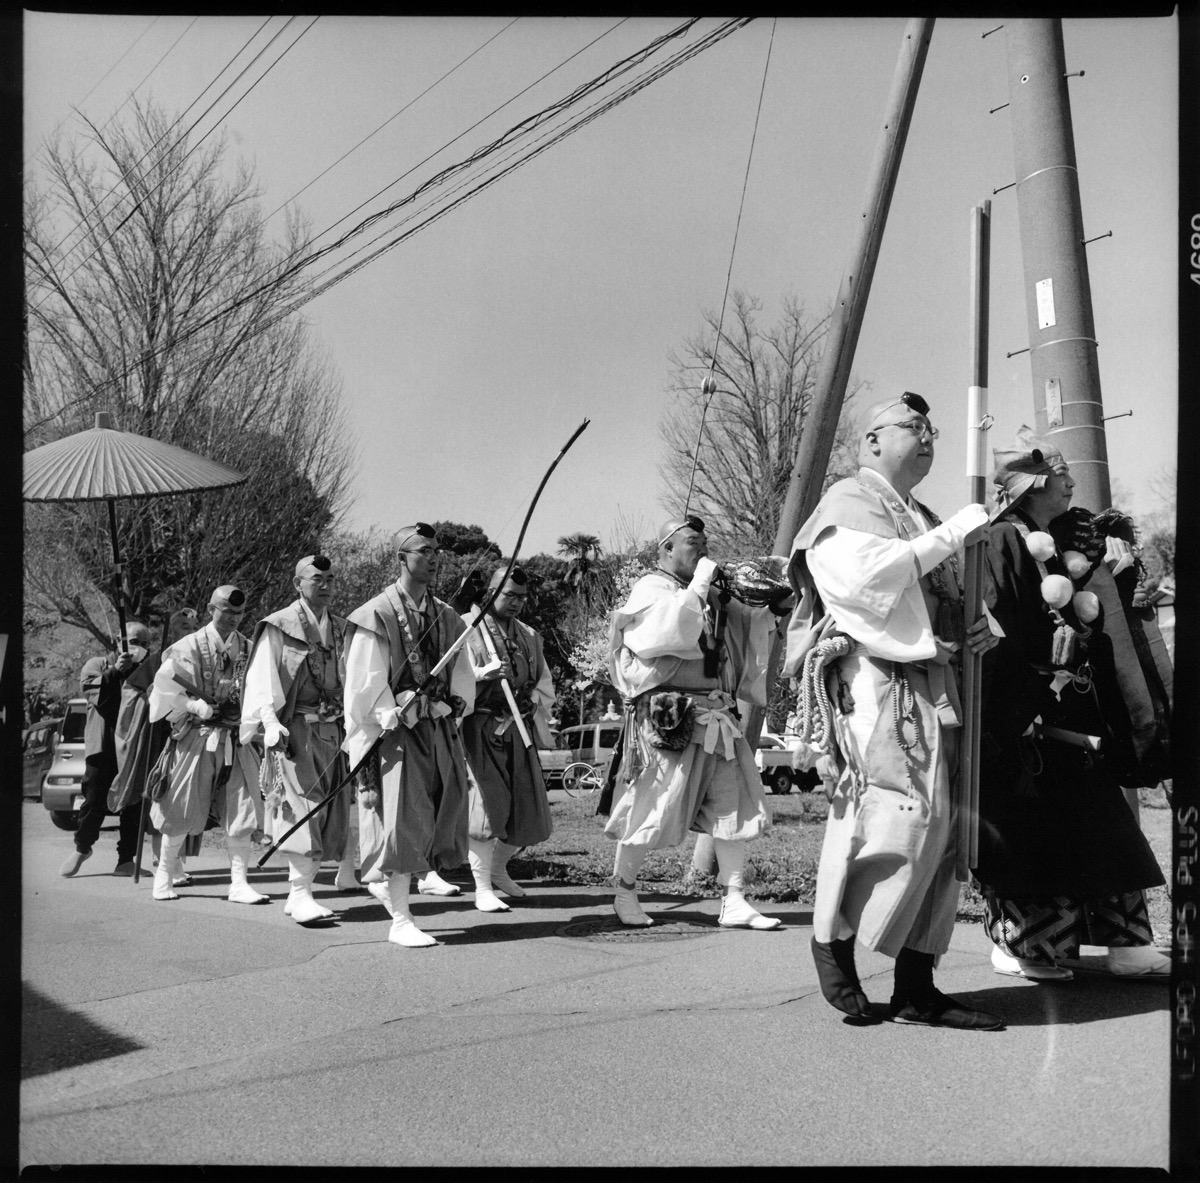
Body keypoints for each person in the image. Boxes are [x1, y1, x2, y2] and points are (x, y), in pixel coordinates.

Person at [784, 392, 1003, 1031]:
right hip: (881, 684)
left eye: (932, 428)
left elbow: (950, 594)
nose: (929, 436)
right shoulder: (849, 501)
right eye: (913, 426)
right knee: (888, 818)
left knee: (941, 826)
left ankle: (916, 983)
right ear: (872, 441)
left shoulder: (922, 512)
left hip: (937, 683)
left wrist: (979, 625)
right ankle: (834, 939)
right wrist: (952, 534)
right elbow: (861, 582)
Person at [974, 428, 1169, 980]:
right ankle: (1027, 946)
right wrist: (1029, 693)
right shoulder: (1002, 539)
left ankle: (1126, 942)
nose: (1072, 483)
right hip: (1028, 711)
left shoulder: (1064, 535)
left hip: (1074, 702)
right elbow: (996, 623)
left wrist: (1116, 561)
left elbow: (1097, 594)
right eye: (1061, 475)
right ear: (1033, 482)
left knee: (1102, 820)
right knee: (1036, 831)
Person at [602, 514, 791, 930]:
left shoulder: (709, 594)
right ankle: (624, 891)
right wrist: (702, 583)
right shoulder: (652, 587)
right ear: (666, 549)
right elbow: (667, 633)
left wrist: (773, 608)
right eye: (691, 542)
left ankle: (735, 898)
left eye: (704, 542)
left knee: (733, 804)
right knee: (653, 803)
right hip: (670, 715)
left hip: (717, 715)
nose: (701, 549)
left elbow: (744, 631)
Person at [342, 523, 476, 948]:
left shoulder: (448, 616)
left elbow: (462, 675)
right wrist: (389, 708)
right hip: (396, 734)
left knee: (439, 812)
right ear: (401, 558)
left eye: (438, 551)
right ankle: (400, 918)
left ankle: (396, 891)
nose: (434, 557)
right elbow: (365, 680)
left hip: (435, 729)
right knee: (401, 819)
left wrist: (449, 704)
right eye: (424, 550)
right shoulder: (376, 613)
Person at [241, 555, 353, 926]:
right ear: (297, 584)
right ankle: (301, 893)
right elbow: (262, 677)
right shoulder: (280, 625)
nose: (325, 585)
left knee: (330, 810)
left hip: (334, 731)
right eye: (316, 578)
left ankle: (300, 892)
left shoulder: (340, 628)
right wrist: (270, 722)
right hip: (297, 730)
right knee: (302, 807)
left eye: (331, 579)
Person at [147, 585, 267, 905]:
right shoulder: (187, 646)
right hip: (196, 737)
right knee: (181, 805)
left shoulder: (250, 648)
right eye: (227, 612)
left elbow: (262, 690)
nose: (233, 619)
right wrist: (191, 706)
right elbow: (164, 689)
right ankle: (164, 875)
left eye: (240, 614)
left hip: (236, 738)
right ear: (212, 608)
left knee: (242, 807)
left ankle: (239, 882)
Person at [460, 566, 555, 912]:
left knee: (527, 807)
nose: (516, 603)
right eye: (508, 595)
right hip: (479, 729)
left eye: (521, 597)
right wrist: (480, 675)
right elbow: (452, 680)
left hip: (518, 728)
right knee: (487, 806)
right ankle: (481, 885)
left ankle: (499, 869)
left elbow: (542, 682)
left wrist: (536, 704)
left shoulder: (529, 635)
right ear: (490, 593)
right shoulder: (465, 629)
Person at [59, 621, 155, 878]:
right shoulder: (97, 664)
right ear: (119, 641)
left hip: (134, 745)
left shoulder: (147, 670)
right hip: (104, 745)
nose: (141, 648)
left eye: (146, 644)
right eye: (135, 642)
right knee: (94, 800)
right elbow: (93, 693)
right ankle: (82, 847)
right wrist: (115, 671)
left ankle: (126, 860)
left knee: (134, 802)